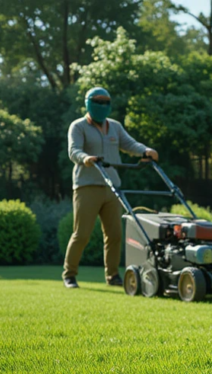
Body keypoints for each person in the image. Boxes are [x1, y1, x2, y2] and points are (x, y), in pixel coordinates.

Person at [63, 87, 158, 288]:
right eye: (98, 101)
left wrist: (145, 150)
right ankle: (69, 275)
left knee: (115, 235)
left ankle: (113, 276)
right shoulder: (78, 126)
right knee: (82, 234)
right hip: (87, 186)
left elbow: (130, 144)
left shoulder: (114, 126)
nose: (102, 105)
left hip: (112, 187)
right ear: (89, 103)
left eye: (106, 102)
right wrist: (86, 158)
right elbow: (73, 151)